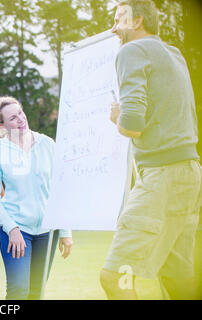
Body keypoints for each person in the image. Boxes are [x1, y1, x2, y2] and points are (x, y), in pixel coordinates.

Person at [101, 0, 201, 300]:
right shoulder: (174, 53)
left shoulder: (131, 51)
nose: (114, 27)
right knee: (177, 278)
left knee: (114, 276)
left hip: (162, 177)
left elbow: (132, 124)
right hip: (189, 174)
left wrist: (117, 117)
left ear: (138, 20)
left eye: (119, 19)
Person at [0, 96, 73, 300]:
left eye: (21, 113)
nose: (21, 119)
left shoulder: (47, 144)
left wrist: (65, 230)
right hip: (16, 232)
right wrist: (12, 229)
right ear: (1, 125)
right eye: (13, 118)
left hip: (47, 231)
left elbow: (59, 188)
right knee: (18, 292)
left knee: (36, 293)